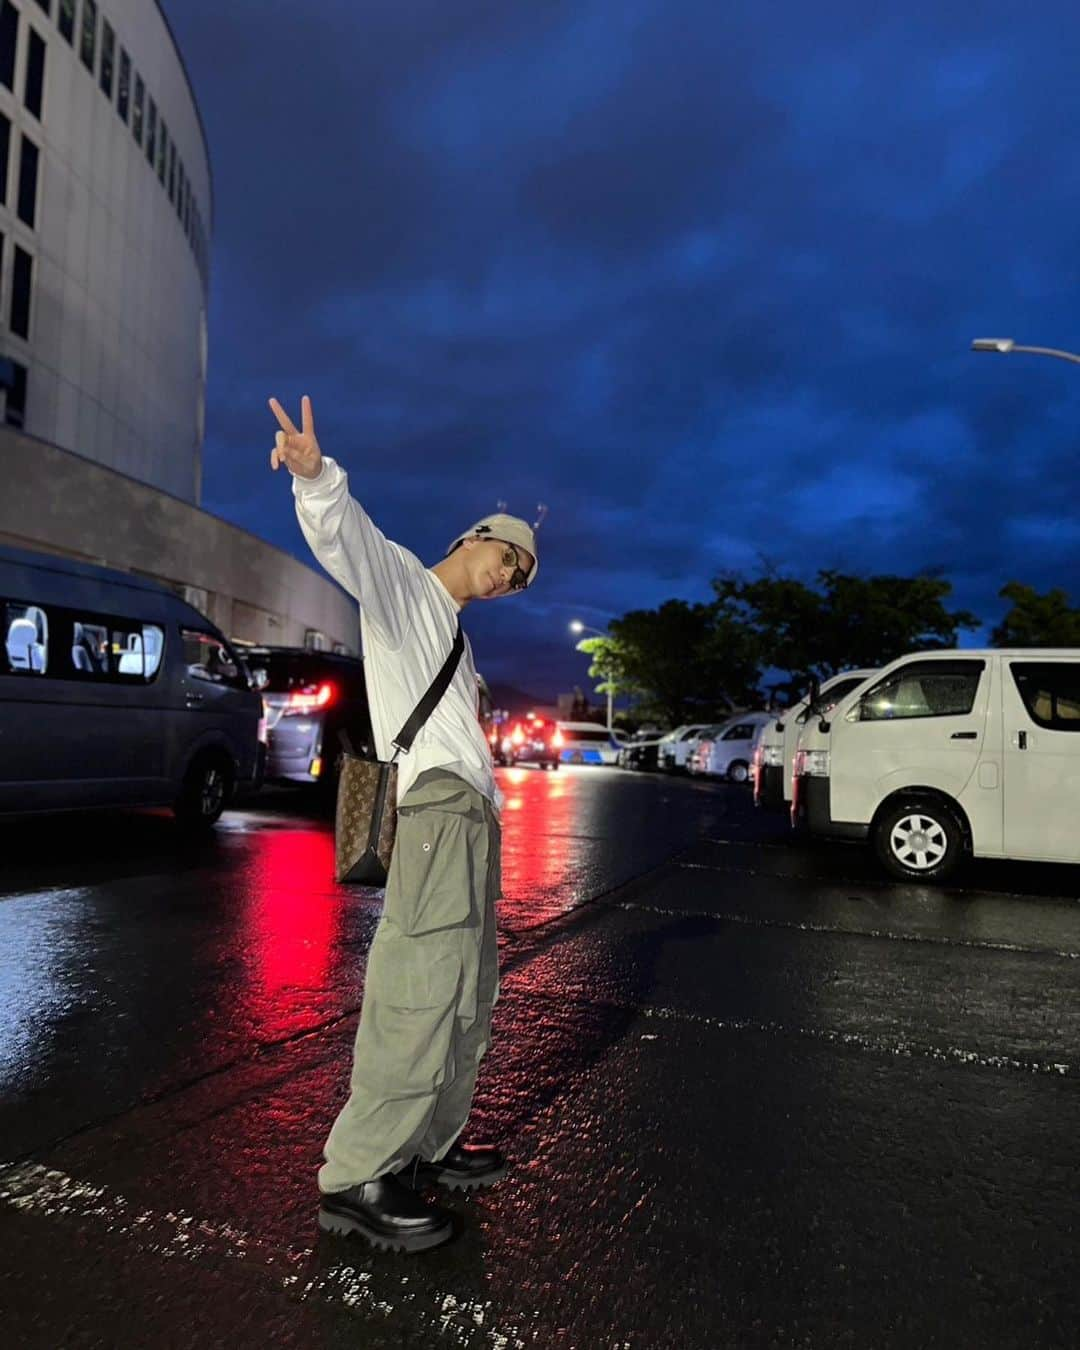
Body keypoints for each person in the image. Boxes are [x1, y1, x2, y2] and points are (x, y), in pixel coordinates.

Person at [269, 395, 538, 1253]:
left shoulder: (458, 641)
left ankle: (429, 1145)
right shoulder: (405, 591)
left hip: (473, 822)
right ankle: (358, 1176)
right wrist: (318, 479)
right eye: (507, 556)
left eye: (521, 577)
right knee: (419, 989)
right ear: (472, 537)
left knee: (467, 998)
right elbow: (347, 538)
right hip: (434, 816)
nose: (509, 576)